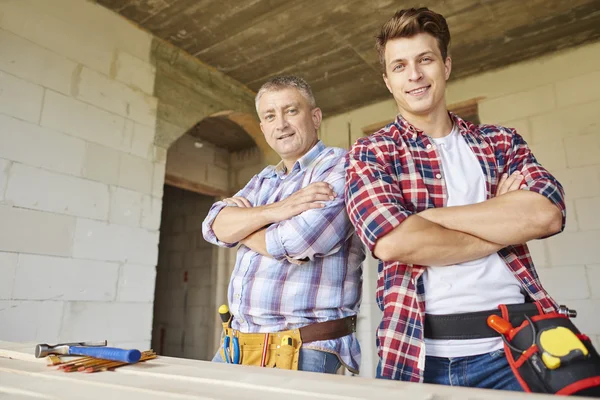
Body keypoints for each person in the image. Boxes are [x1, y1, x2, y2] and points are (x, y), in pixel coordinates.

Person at [344, 8, 565, 389]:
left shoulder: (501, 142)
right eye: (399, 66)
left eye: (425, 60)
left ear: (445, 66)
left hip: (516, 349)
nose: (413, 75)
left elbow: (546, 215)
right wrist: (503, 219)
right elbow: (395, 242)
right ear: (387, 80)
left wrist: (430, 217)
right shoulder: (372, 152)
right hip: (416, 355)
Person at [202, 75, 364, 374]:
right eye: (270, 116)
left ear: (315, 117)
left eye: (291, 111)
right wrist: (278, 210)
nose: (281, 124)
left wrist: (244, 228)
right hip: (236, 345)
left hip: (304, 349)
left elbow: (297, 241)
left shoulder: (341, 166)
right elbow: (213, 225)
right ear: (263, 128)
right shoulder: (265, 178)